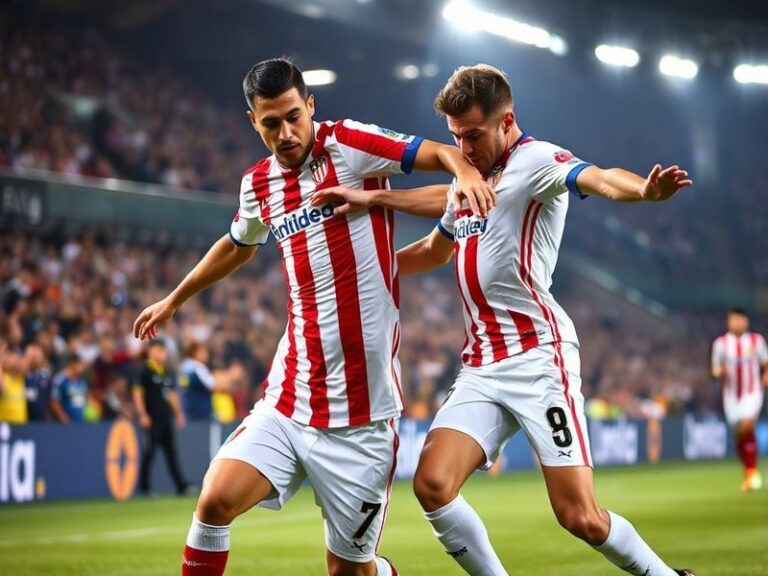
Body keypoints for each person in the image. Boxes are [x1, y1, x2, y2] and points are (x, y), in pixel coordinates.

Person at [313, 64, 695, 576]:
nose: (463, 150)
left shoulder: (536, 160)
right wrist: (365, 261)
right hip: (482, 366)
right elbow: (433, 248)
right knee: (432, 485)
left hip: (539, 356)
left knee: (579, 516)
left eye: (473, 135)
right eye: (455, 138)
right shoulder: (472, 179)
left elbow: (599, 177)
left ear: (506, 120)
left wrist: (645, 192)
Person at [132, 57, 494, 576]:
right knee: (214, 501)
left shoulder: (349, 143)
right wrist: (174, 299)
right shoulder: (258, 185)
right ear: (252, 122)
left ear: (311, 106)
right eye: (270, 123)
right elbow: (238, 246)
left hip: (363, 416)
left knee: (348, 570)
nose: (286, 132)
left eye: (294, 115)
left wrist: (464, 170)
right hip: (290, 396)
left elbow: (433, 151)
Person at [711, 308, 768, 491]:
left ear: (746, 322)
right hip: (731, 396)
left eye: (741, 320)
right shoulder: (721, 343)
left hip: (752, 391)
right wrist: (719, 371)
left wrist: (766, 374)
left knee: (747, 424)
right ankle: (748, 471)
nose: (738, 323)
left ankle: (752, 471)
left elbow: (765, 361)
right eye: (734, 320)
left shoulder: (756, 341)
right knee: (738, 434)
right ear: (729, 322)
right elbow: (714, 368)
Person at [132, 339, 190, 496]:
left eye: (164, 351)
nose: (163, 354)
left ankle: (181, 486)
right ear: (151, 351)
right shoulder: (144, 370)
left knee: (171, 452)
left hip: (165, 418)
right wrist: (143, 414)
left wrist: (178, 413)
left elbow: (171, 394)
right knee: (149, 453)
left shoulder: (165, 371)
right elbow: (137, 393)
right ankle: (144, 488)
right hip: (152, 419)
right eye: (159, 351)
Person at [179, 342, 227, 421]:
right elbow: (214, 387)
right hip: (200, 413)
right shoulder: (198, 368)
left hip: (187, 411)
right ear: (196, 353)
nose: (206, 354)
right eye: (204, 352)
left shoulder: (184, 366)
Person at [49, 353, 88, 424]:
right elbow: (54, 401)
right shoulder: (60, 380)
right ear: (73, 364)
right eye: (80, 365)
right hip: (66, 424)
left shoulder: (82, 381)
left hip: (81, 422)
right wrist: (63, 417)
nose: (83, 368)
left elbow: (84, 399)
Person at [0, 337, 28, 424]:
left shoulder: (19, 377)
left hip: (22, 425)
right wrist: (2, 352)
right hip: (5, 426)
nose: (16, 359)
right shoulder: (3, 376)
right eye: (11, 356)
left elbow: (24, 365)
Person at [24, 343, 52, 422]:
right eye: (33, 357)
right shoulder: (21, 376)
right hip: (23, 418)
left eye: (39, 357)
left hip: (41, 420)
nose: (36, 360)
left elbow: (49, 399)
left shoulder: (46, 376)